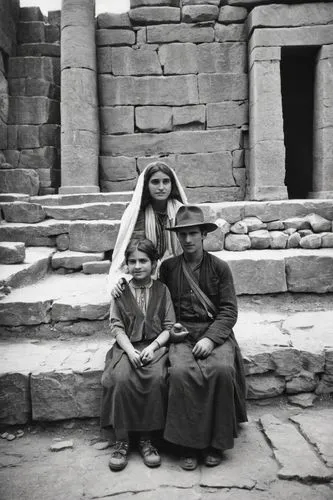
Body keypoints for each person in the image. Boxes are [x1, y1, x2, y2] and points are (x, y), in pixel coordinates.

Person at [159, 205, 248, 471]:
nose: (187, 240)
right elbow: (165, 306)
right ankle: (187, 444)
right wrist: (172, 328)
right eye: (182, 234)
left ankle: (215, 443)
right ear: (177, 237)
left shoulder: (219, 268)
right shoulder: (169, 268)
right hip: (181, 334)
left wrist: (211, 339)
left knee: (220, 370)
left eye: (193, 233)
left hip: (214, 331)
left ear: (203, 235)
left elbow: (229, 310)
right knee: (181, 373)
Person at [101, 238, 176, 471]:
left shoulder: (162, 290)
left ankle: (146, 439)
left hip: (155, 346)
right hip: (126, 346)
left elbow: (169, 326)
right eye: (132, 261)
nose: (137, 266)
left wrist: (152, 348)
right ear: (126, 264)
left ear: (154, 263)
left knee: (154, 379)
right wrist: (130, 350)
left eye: (143, 261)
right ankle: (122, 440)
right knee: (120, 379)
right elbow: (116, 327)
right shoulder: (121, 291)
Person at [108, 161, 187, 293]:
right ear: (146, 185)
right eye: (155, 182)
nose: (161, 187)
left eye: (166, 181)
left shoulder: (181, 211)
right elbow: (134, 250)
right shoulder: (137, 214)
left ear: (172, 184)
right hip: (147, 269)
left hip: (178, 268)